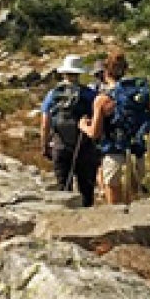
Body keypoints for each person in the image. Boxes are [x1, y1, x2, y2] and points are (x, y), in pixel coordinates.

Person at [39, 54, 100, 207]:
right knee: (86, 190)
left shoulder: (53, 94)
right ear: (79, 73)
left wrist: (44, 145)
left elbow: (45, 123)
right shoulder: (90, 95)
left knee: (63, 188)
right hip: (85, 147)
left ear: (64, 73)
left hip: (60, 145)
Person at [92, 51, 150, 205]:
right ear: (125, 70)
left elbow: (95, 133)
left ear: (105, 72)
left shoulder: (103, 99)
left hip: (114, 151)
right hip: (137, 152)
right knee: (135, 201)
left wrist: (83, 126)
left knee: (115, 207)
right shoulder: (137, 93)